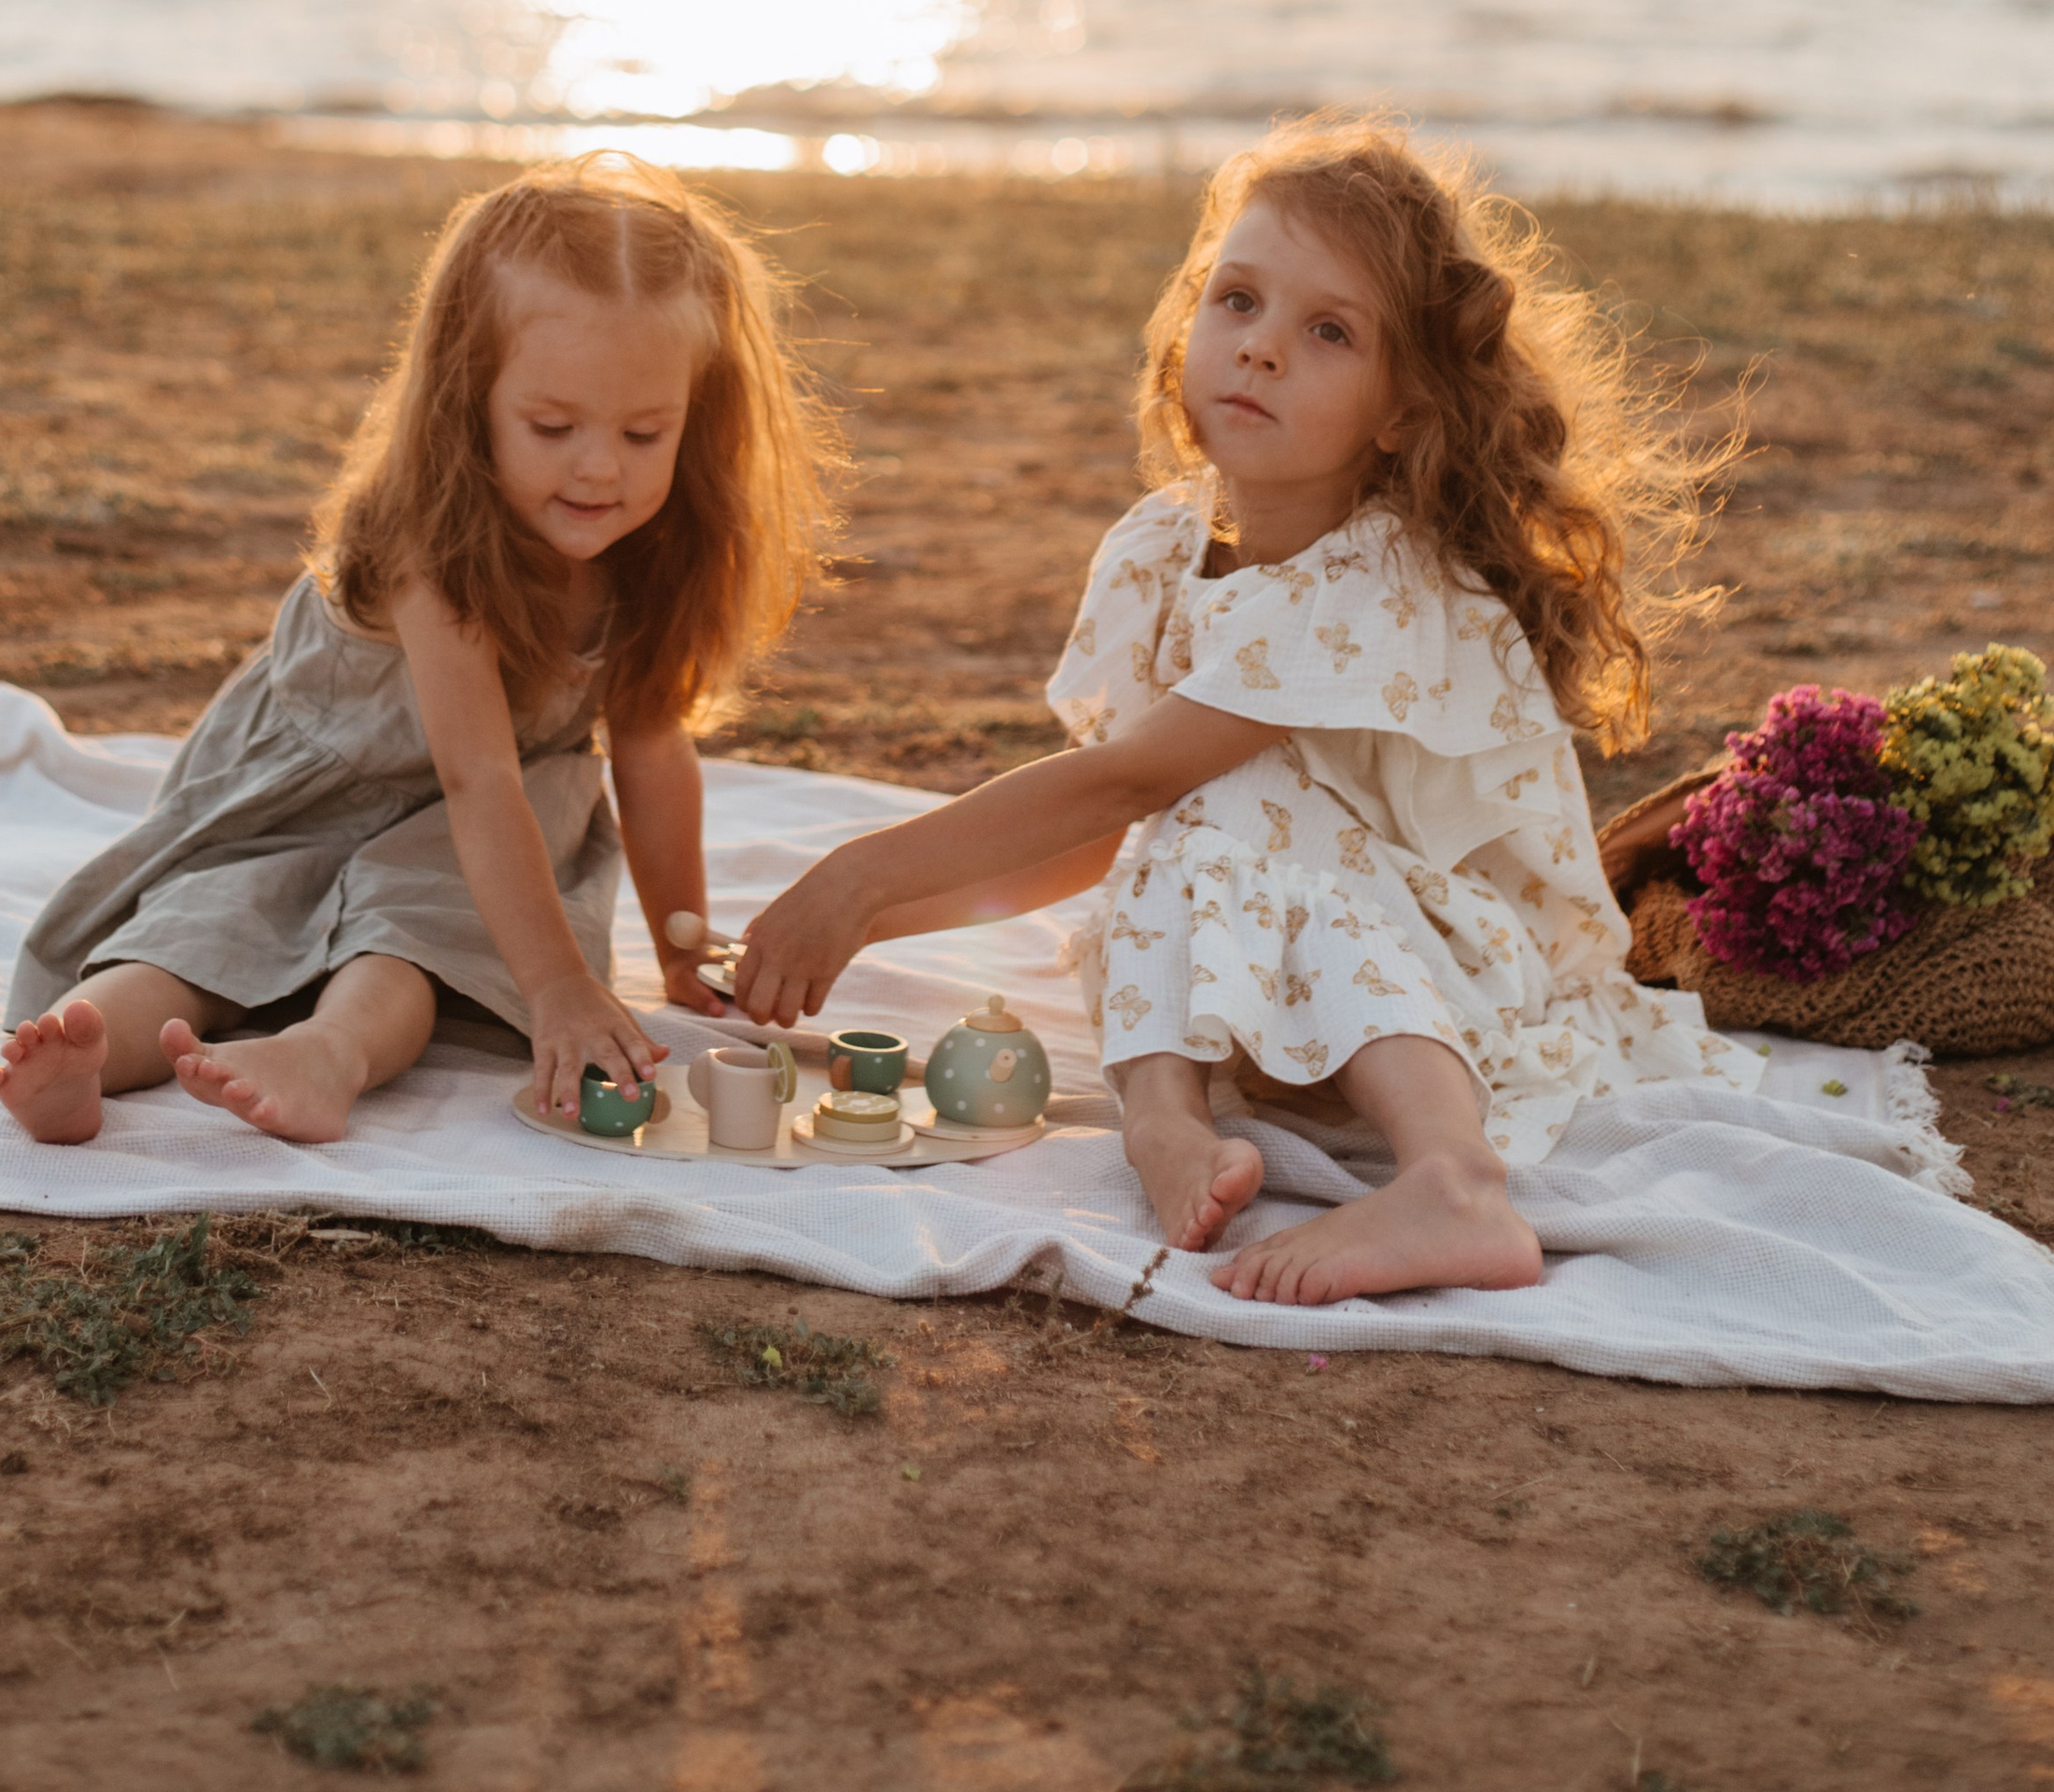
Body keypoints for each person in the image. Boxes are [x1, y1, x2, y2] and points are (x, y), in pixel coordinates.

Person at [730, 118, 1761, 1306]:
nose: (1261, 349)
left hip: (1460, 999)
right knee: (1187, 809)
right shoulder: (1165, 547)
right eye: (1237, 301)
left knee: (1223, 781)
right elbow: (1112, 834)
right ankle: (1166, 1123)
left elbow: (1126, 783)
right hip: (1293, 1015)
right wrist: (867, 926)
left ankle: (1455, 1178)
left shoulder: (1382, 578)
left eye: (1327, 331)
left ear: (1401, 408)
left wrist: (857, 874)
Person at [0, 154, 832, 1145]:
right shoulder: (434, 540)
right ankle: (88, 1054)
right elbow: (477, 774)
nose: (601, 467)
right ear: (468, 398)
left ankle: (328, 1054)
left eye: (646, 432)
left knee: (416, 938)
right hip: (309, 801)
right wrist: (556, 985)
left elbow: (650, 750)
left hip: (469, 836)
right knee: (217, 923)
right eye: (552, 425)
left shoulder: (654, 548)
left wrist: (681, 944)